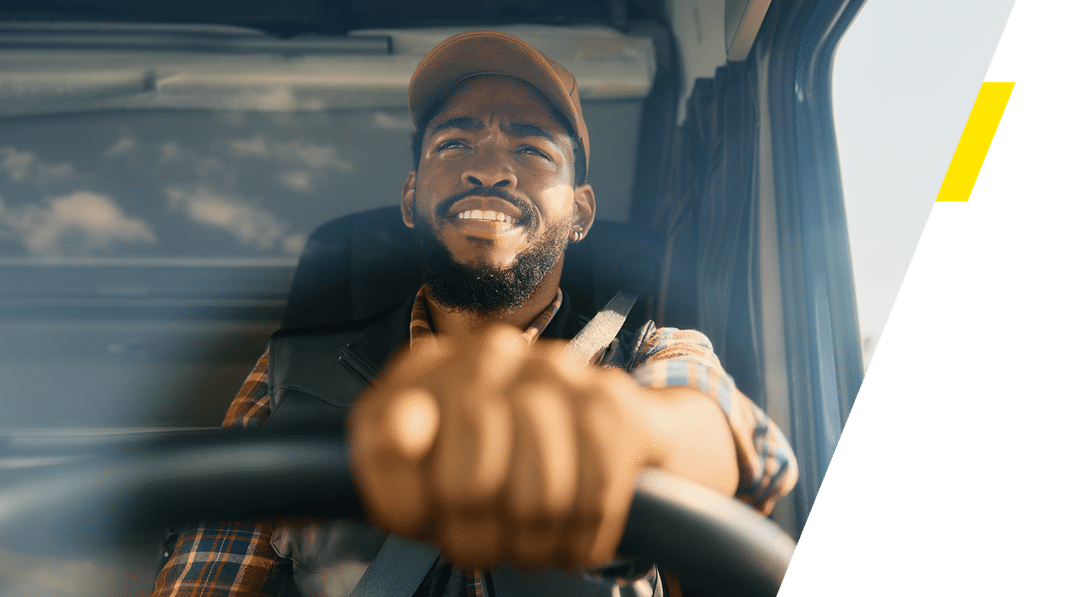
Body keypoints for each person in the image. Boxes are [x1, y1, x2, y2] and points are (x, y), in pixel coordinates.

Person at [152, 30, 797, 597]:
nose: (488, 171)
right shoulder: (291, 374)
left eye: (533, 150)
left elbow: (742, 447)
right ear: (410, 198)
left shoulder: (655, 351)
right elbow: (209, 575)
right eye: (453, 145)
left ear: (581, 213)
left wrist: (626, 431)